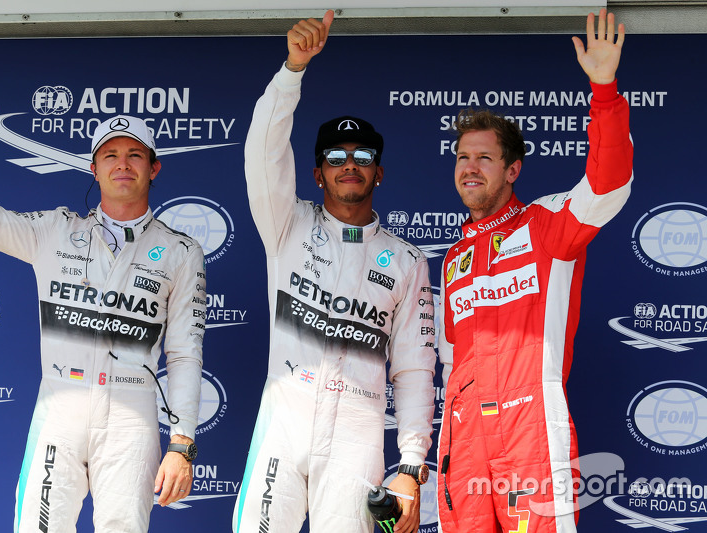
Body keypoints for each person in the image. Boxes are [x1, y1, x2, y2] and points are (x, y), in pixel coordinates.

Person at [0, 63, 206, 532]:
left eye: (134, 154)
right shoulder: (54, 231)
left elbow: (185, 354)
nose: (122, 163)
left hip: (133, 417)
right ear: (93, 167)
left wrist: (181, 443)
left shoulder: (183, 252)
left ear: (154, 166)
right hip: (59, 410)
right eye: (110, 154)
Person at [232, 10, 436, 533]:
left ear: (380, 171)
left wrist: (411, 464)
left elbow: (414, 367)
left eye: (363, 155)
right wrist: (292, 70)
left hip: (358, 433)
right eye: (336, 155)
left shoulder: (408, 260)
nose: (351, 163)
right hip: (284, 418)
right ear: (319, 170)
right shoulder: (287, 224)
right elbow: (263, 153)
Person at [436, 9, 632, 533]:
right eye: (462, 157)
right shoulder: (453, 258)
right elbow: (451, 358)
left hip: (530, 429)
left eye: (484, 157)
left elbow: (609, 186)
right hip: (465, 437)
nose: (469, 167)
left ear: (512, 169)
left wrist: (605, 91)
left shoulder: (545, 224)